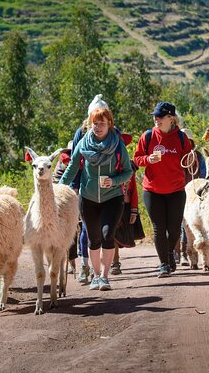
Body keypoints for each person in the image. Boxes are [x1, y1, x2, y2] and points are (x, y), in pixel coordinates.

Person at [60, 106, 133, 291]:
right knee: (93, 239)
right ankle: (95, 274)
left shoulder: (118, 145)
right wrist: (58, 187)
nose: (98, 127)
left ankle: (104, 277)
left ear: (110, 124)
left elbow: (128, 172)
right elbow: (72, 168)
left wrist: (114, 181)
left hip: (112, 197)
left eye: (102, 123)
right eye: (95, 123)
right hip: (88, 198)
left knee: (108, 235)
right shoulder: (83, 144)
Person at [133, 101, 192, 278]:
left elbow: (188, 161)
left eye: (160, 117)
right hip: (152, 190)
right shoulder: (148, 136)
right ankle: (164, 264)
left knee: (174, 230)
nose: (156, 119)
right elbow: (136, 159)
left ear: (171, 118)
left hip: (176, 191)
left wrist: (191, 163)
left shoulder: (182, 138)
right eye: (155, 116)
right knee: (159, 228)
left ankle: (168, 254)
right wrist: (147, 160)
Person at [70, 95, 108, 284]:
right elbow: (75, 161)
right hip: (87, 187)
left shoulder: (113, 133)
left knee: (106, 231)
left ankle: (103, 269)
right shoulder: (81, 133)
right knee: (86, 229)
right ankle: (86, 267)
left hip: (109, 189)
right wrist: (74, 186)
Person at [177, 128, 207, 266]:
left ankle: (189, 253)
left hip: (193, 193)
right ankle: (179, 252)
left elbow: (203, 174)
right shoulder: (176, 156)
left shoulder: (198, 156)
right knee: (178, 223)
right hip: (177, 190)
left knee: (189, 223)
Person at [111, 133, 138, 275]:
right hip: (108, 202)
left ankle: (115, 262)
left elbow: (133, 190)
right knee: (110, 233)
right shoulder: (105, 164)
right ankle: (113, 262)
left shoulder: (129, 166)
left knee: (117, 233)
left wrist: (134, 209)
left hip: (125, 205)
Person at [53, 141, 77, 275]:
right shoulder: (63, 162)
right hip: (65, 199)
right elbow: (56, 181)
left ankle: (77, 262)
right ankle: (69, 262)